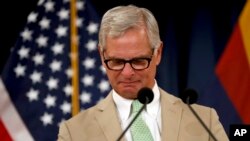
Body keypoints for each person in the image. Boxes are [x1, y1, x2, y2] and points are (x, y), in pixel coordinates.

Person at [57, 4, 229, 141]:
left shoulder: (204, 121)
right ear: (102, 56)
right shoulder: (74, 133)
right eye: (116, 62)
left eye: (138, 61)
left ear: (158, 53)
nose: (127, 73)